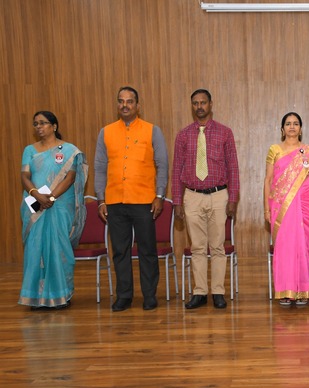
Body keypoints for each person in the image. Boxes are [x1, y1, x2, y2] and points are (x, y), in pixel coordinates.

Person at [95, 86, 169, 312]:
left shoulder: (152, 130)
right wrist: (101, 199)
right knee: (120, 251)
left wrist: (159, 195)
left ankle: (149, 295)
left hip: (144, 201)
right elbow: (100, 168)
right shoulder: (106, 132)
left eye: (129, 101)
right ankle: (124, 296)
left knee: (147, 250)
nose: (124, 105)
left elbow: (162, 164)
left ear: (138, 105)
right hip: (115, 201)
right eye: (121, 101)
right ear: (117, 105)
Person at [172, 89, 240, 310]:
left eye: (203, 102)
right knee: (197, 247)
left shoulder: (225, 133)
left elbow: (233, 167)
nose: (199, 106)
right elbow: (176, 170)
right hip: (192, 196)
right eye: (195, 103)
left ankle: (218, 292)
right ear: (191, 106)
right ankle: (200, 292)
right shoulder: (183, 135)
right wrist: (177, 201)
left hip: (219, 196)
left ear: (211, 104)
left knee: (218, 246)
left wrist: (233, 198)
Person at [19, 111, 88, 310]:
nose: (39, 127)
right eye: (36, 124)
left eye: (43, 123)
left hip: (60, 204)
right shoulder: (29, 150)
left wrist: (50, 197)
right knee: (35, 249)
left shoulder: (69, 150)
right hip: (34, 205)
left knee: (59, 248)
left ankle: (60, 295)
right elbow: (24, 176)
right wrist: (36, 194)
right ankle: (35, 297)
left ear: (54, 126)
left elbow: (70, 177)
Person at [264, 112, 309, 306]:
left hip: (305, 206)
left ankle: (303, 291)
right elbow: (268, 180)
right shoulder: (275, 150)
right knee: (284, 248)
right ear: (282, 129)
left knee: (303, 247)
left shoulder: (308, 152)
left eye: (295, 123)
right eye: (288, 124)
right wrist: (266, 209)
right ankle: (285, 291)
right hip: (280, 207)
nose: (292, 127)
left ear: (300, 128)